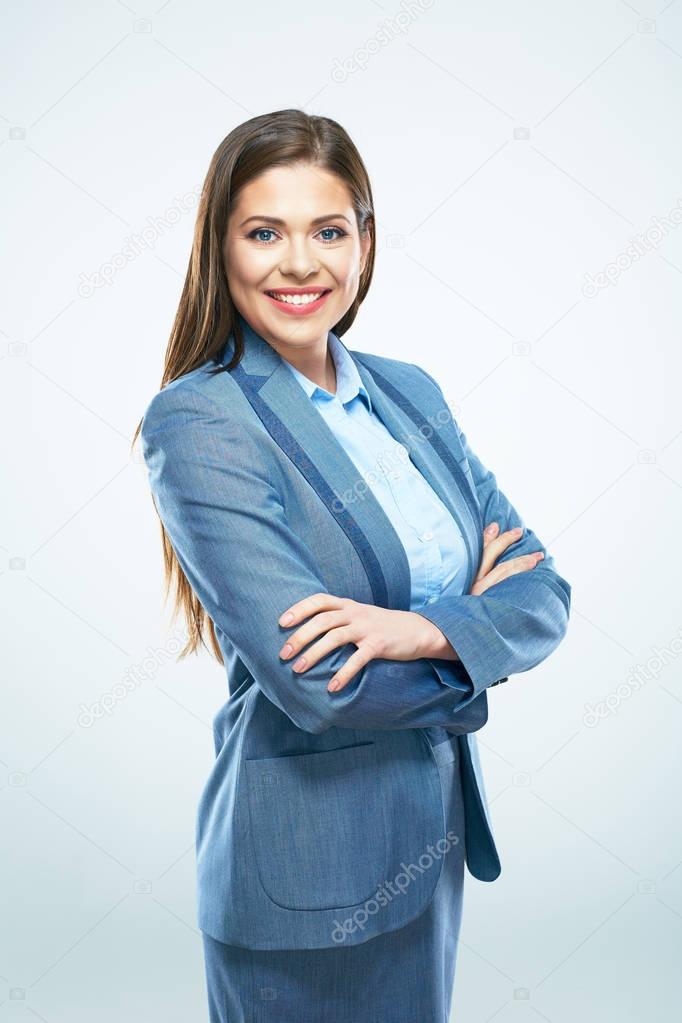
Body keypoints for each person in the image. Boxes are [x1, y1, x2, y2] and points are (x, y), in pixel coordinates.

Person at [134, 109, 571, 1023]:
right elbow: (324, 685)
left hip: (428, 843)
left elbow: (542, 589)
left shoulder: (409, 391)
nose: (301, 264)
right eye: (265, 232)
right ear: (221, 247)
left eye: (328, 230)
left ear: (365, 244)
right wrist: (475, 656)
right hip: (301, 876)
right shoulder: (200, 420)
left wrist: (420, 630)